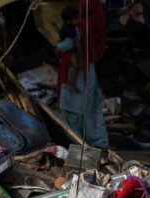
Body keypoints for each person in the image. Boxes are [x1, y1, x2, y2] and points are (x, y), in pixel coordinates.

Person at [56, 0, 109, 149]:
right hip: (87, 70)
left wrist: (58, 47)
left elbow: (67, 45)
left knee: (74, 108)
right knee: (90, 108)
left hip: (81, 73)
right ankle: (95, 141)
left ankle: (78, 141)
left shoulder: (83, 26)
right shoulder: (94, 22)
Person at [58, 6, 82, 93]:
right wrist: (81, 51)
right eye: (76, 18)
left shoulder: (66, 26)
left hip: (66, 49)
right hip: (67, 51)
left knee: (71, 67)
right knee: (75, 65)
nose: (78, 20)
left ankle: (71, 83)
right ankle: (70, 85)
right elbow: (76, 41)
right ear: (70, 20)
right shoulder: (70, 29)